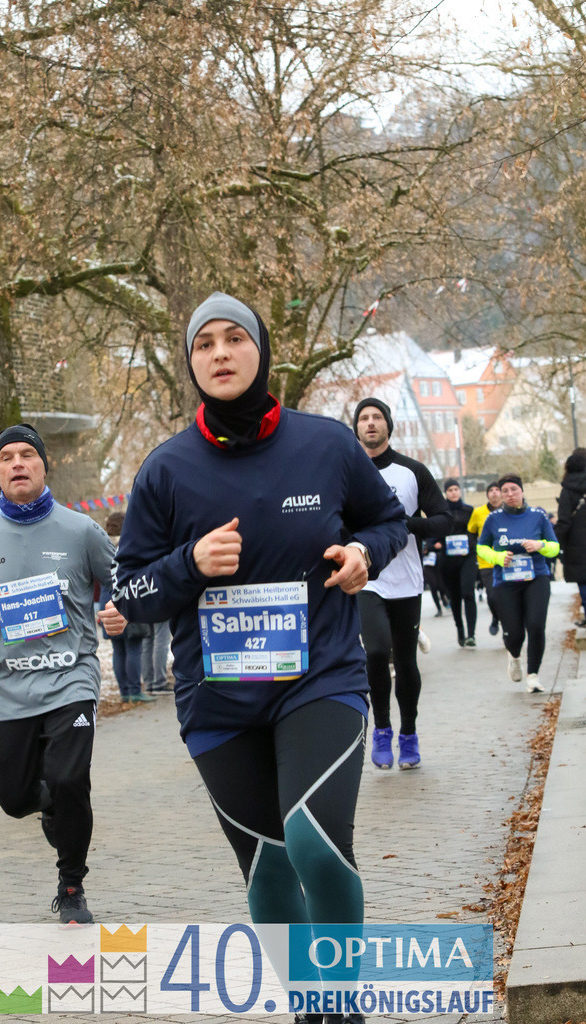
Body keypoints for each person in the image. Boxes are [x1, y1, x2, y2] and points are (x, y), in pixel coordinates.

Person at [111, 293, 408, 1024]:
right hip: (218, 701)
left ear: (260, 350)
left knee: (313, 840)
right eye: (203, 343)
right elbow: (130, 593)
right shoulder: (165, 470)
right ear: (191, 362)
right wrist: (188, 563)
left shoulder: (326, 445)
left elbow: (388, 519)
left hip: (318, 679)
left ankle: (341, 1007)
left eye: (233, 338)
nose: (219, 353)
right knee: (269, 866)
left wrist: (364, 553)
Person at [0, 423, 126, 923]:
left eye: (27, 454)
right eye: (7, 457)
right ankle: (51, 806)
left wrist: (119, 610)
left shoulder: (80, 530)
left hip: (71, 678)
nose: (18, 463)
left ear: (44, 466)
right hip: (7, 687)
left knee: (70, 779)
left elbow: (122, 582)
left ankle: (71, 887)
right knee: (13, 797)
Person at [353, 398, 451, 770]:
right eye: (364, 418)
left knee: (406, 661)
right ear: (356, 428)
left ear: (388, 426)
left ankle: (408, 733)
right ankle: (382, 729)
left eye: (377, 417)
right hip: (368, 579)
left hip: (407, 581)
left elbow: (444, 520)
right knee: (376, 652)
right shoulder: (349, 472)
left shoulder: (412, 471)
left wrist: (406, 524)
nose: (371, 423)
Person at [477, 473, 559, 692]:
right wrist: (497, 557)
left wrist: (540, 545)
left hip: (536, 578)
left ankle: (533, 676)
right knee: (514, 634)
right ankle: (514, 656)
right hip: (506, 582)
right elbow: (481, 547)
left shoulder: (538, 516)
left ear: (522, 491)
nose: (510, 494)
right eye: (505, 491)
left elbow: (555, 547)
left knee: (536, 625)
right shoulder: (493, 519)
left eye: (514, 489)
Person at [100, 512, 155, 704]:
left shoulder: (101, 545)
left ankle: (124, 692)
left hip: (106, 599)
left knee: (118, 649)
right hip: (127, 597)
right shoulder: (130, 543)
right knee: (133, 647)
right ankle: (134, 690)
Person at [434, 479, 477, 647]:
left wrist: (472, 543)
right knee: (455, 597)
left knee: (468, 592)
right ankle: (460, 628)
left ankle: (471, 634)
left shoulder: (469, 510)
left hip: (467, 557)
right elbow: (434, 532)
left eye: (456, 489)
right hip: (448, 560)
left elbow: (475, 531)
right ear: (446, 493)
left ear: (460, 491)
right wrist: (436, 543)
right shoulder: (441, 512)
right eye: (450, 490)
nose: (453, 492)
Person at [467, 482, 503, 636]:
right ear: (487, 494)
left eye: (497, 490)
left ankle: (508, 626)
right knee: (492, 596)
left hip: (506, 560)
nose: (494, 493)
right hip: (486, 562)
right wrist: (477, 548)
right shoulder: (478, 512)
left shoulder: (509, 511)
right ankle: (495, 617)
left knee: (507, 596)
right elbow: (471, 532)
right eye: (491, 490)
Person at [555, 448, 586, 626]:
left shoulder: (567, 491)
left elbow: (564, 522)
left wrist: (557, 544)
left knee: (584, 582)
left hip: (576, 547)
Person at [142, 620, 172, 693]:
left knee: (147, 640)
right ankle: (159, 683)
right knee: (161, 640)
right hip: (161, 613)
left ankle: (149, 683)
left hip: (143, 613)